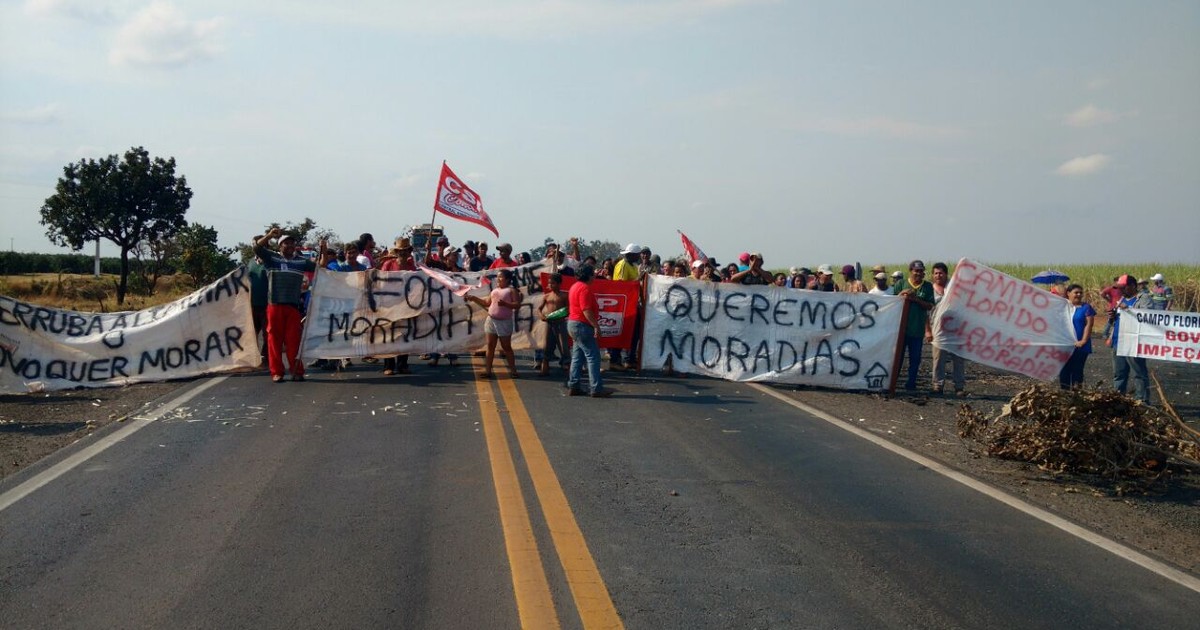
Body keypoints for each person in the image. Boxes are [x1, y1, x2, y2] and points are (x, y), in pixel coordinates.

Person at [254, 228, 320, 383]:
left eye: (292, 243)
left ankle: (297, 371)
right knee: (274, 340)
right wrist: (269, 235)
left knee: (293, 341)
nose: (290, 245)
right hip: (274, 305)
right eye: (286, 243)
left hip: (293, 306)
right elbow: (257, 247)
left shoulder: (301, 262)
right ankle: (277, 372)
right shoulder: (272, 259)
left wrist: (323, 248)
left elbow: (319, 267)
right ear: (279, 246)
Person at [566, 265, 614, 398]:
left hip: (573, 323)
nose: (594, 276)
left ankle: (574, 385)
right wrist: (596, 326)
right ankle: (596, 388)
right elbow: (586, 310)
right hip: (582, 325)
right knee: (593, 357)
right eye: (592, 274)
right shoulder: (585, 289)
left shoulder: (575, 286)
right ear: (588, 275)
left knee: (577, 357)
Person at [465, 268, 522, 378]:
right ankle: (488, 371)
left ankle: (513, 371)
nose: (498, 279)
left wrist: (506, 304)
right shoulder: (494, 291)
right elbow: (486, 302)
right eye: (498, 277)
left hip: (504, 322)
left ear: (508, 279)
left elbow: (517, 305)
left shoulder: (511, 291)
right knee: (490, 346)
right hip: (491, 320)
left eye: (501, 277)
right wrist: (474, 298)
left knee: (506, 347)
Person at [1106, 274, 1152, 403]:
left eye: (1123, 287)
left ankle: (1142, 401)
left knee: (1139, 373)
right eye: (1119, 288)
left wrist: (1129, 310)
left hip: (1133, 342)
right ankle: (1118, 399)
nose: (1120, 290)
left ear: (1133, 286)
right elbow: (1116, 320)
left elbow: (1148, 316)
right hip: (1118, 341)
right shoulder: (1121, 299)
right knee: (1119, 374)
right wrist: (1112, 315)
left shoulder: (1144, 298)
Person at [892, 260, 935, 391]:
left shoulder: (927, 287)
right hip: (901, 329)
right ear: (910, 271)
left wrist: (915, 298)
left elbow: (930, 305)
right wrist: (901, 295)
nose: (919, 273)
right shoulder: (901, 284)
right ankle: (893, 383)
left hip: (917, 329)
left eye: (921, 271)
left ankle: (911, 384)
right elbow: (892, 303)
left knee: (915, 359)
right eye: (916, 271)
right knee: (897, 357)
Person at [378, 239, 416, 376]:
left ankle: (402, 364)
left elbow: (416, 285)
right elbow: (381, 282)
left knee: (405, 335)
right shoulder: (389, 264)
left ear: (409, 252)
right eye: (401, 251)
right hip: (390, 305)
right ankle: (388, 365)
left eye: (406, 250)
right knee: (389, 335)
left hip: (406, 305)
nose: (404, 253)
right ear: (397, 252)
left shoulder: (412, 267)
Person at [930, 262, 965, 395]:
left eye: (941, 273)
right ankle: (937, 384)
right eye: (936, 273)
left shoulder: (954, 288)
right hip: (938, 329)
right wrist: (927, 330)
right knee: (938, 358)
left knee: (958, 359)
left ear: (946, 274)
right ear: (933, 275)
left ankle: (959, 386)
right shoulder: (930, 289)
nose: (938, 275)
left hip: (956, 328)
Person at [608, 244, 643, 370]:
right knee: (620, 333)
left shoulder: (633, 266)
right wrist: (638, 280)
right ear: (631, 255)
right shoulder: (623, 265)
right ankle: (615, 360)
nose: (639, 257)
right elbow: (621, 285)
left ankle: (630, 359)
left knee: (634, 333)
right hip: (623, 304)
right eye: (637, 255)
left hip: (632, 304)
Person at [1059, 283, 1095, 390]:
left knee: (1077, 372)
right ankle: (1065, 395)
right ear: (1068, 293)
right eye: (1076, 292)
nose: (1079, 295)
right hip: (1065, 345)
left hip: (1080, 346)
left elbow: (1089, 324)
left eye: (1080, 293)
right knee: (1064, 371)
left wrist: (1083, 340)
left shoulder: (1086, 308)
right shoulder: (1063, 307)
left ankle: (1077, 397)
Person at [537, 273, 570, 376]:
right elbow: (539, 309)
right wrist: (541, 316)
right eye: (549, 283)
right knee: (547, 345)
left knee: (563, 345)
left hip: (560, 323)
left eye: (553, 283)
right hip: (549, 324)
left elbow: (568, 309)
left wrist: (560, 314)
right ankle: (545, 367)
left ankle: (568, 366)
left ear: (559, 284)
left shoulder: (564, 295)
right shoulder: (547, 296)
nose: (551, 285)